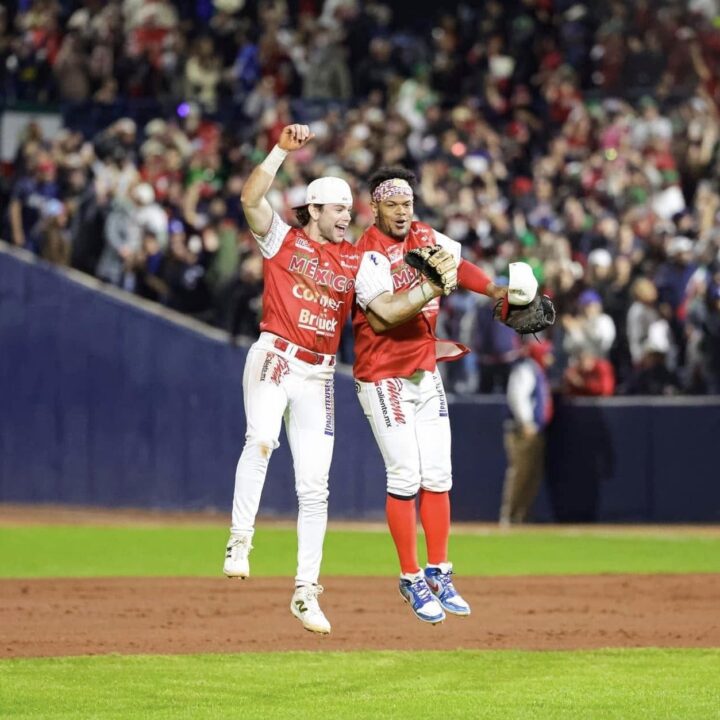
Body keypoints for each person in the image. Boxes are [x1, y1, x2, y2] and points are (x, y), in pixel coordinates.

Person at [224, 128, 450, 635]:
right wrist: (282, 149)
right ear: (314, 210)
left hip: (319, 374)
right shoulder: (282, 239)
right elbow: (249, 197)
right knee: (262, 439)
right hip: (276, 357)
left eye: (349, 209)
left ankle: (306, 591)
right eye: (337, 209)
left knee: (315, 488)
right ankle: (240, 539)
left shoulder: (356, 259)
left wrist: (430, 289)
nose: (347, 216)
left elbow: (387, 310)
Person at [351, 166, 517, 625]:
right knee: (405, 475)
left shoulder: (424, 233)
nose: (403, 212)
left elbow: (457, 265)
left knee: (439, 474)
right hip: (383, 375)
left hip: (424, 370)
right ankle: (409, 576)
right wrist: (430, 284)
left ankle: (439, 570)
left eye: (407, 203)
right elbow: (383, 318)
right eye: (393, 204)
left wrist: (494, 290)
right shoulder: (367, 254)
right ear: (376, 206)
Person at [500, 340, 554, 526]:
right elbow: (517, 397)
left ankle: (522, 515)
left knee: (532, 475)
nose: (549, 358)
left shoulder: (537, 370)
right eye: (546, 353)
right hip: (522, 430)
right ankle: (510, 515)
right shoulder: (525, 368)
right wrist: (526, 423)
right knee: (520, 473)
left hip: (534, 429)